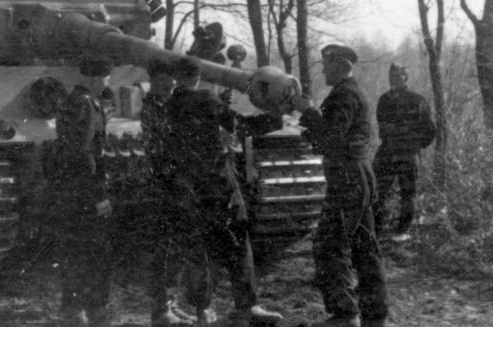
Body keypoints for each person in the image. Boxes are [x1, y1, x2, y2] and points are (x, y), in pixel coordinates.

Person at [162, 56, 283, 326]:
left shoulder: (168, 106)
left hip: (188, 189)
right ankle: (248, 305)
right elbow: (240, 126)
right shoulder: (205, 99)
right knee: (238, 243)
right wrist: (276, 117)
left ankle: (202, 309)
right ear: (197, 78)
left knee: (200, 250)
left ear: (176, 78)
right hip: (218, 186)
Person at [293, 45, 389, 327]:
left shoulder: (344, 95)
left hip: (347, 177)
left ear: (342, 65)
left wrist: (309, 112)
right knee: (364, 246)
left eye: (328, 64)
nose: (323, 70)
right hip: (357, 176)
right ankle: (375, 314)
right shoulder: (350, 93)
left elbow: (332, 140)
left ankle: (344, 314)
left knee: (328, 244)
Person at [52, 54, 115, 326]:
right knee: (95, 252)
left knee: (74, 251)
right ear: (98, 77)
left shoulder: (73, 100)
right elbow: (84, 152)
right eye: (106, 77)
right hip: (85, 190)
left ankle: (73, 308)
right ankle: (93, 309)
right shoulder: (87, 104)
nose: (107, 82)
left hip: (70, 188)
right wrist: (98, 194)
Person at [141, 58, 197, 326]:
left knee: (176, 247)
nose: (172, 81)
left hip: (177, 182)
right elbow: (159, 147)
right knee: (164, 248)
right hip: (163, 184)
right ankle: (161, 309)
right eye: (166, 76)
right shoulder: (151, 107)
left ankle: (171, 303)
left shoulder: (169, 105)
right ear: (154, 79)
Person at [373, 63, 436, 240]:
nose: (393, 78)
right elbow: (382, 126)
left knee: (408, 193)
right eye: (391, 75)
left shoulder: (418, 100)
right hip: (387, 152)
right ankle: (377, 229)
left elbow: (430, 130)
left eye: (398, 75)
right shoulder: (384, 100)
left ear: (406, 78)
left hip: (408, 154)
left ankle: (402, 231)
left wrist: (415, 147)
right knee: (378, 191)